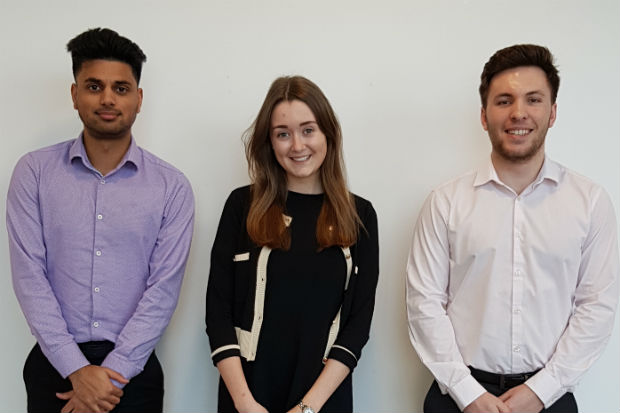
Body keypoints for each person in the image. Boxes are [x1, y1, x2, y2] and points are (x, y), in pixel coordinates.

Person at [406, 44, 619, 413]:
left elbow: (597, 306)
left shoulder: (590, 201)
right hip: (458, 397)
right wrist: (467, 392)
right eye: (504, 100)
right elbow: (424, 301)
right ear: (484, 116)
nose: (519, 112)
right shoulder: (445, 202)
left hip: (550, 397)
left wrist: (542, 390)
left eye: (533, 99)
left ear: (552, 112)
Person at [7, 28, 194, 413]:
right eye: (94, 86)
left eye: (121, 88)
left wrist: (109, 376)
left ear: (139, 99)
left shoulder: (171, 187)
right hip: (54, 368)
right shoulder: (34, 173)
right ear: (74, 94)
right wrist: (76, 369)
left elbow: (163, 290)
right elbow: (29, 277)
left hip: (133, 374)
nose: (108, 98)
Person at [205, 76, 379, 413]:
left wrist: (307, 409)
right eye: (283, 134)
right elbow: (217, 310)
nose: (297, 145)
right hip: (248, 399)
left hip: (322, 402)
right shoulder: (242, 206)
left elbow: (357, 324)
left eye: (308, 130)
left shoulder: (360, 215)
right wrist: (245, 404)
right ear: (269, 142)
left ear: (329, 133)